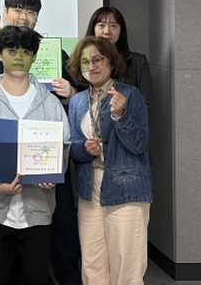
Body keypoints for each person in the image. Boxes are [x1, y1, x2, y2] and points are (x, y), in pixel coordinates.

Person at [0, 0, 82, 285]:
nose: (19, 57)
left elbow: (63, 146)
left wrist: (52, 173)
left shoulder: (50, 103)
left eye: (26, 52)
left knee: (35, 276)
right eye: (12, 51)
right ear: (0, 54)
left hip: (37, 208)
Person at [66, 36, 152, 285]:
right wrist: (85, 149)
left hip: (126, 188)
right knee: (92, 265)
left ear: (111, 62)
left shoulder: (130, 95)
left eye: (97, 60)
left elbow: (140, 145)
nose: (91, 66)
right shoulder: (77, 101)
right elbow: (73, 150)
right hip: (89, 189)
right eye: (85, 62)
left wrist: (120, 116)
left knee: (127, 266)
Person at [85, 6, 154, 108]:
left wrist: (121, 110)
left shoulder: (138, 62)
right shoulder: (83, 61)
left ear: (120, 31)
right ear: (93, 29)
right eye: (101, 25)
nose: (107, 31)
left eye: (113, 26)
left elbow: (146, 104)